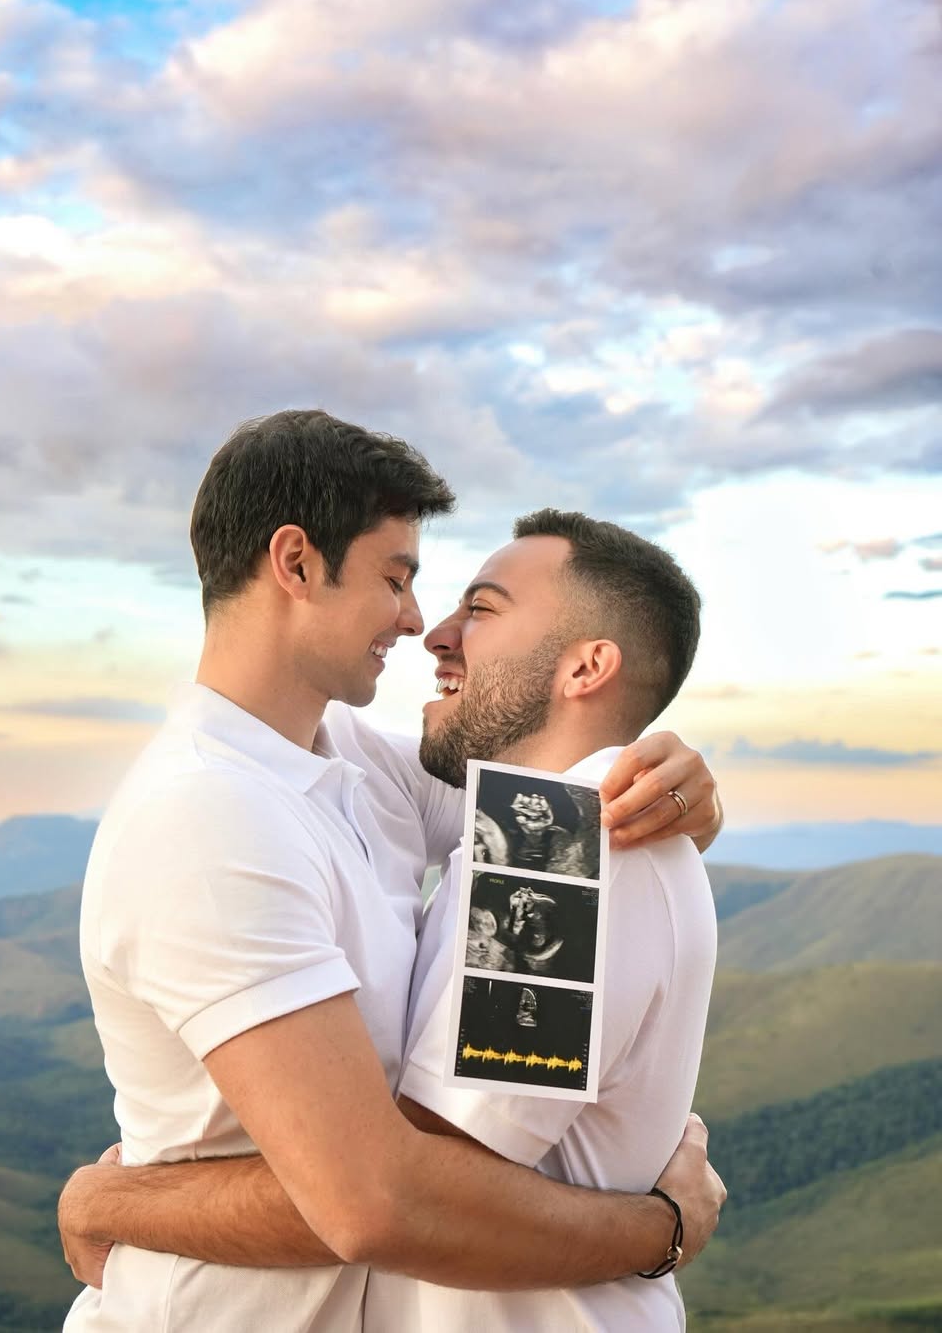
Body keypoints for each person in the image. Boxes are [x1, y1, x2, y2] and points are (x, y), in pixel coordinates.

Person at [58, 410, 724, 1333]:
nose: (420, 623)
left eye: (474, 606)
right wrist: (662, 1227)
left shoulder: (372, 771)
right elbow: (376, 1198)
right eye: (396, 579)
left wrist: (670, 793)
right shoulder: (204, 814)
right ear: (296, 564)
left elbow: (556, 818)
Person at [363, 508, 718, 1330]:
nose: (437, 635)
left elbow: (420, 1195)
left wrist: (127, 1203)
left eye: (482, 609)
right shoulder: (547, 831)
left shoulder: (559, 841)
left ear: (587, 667)